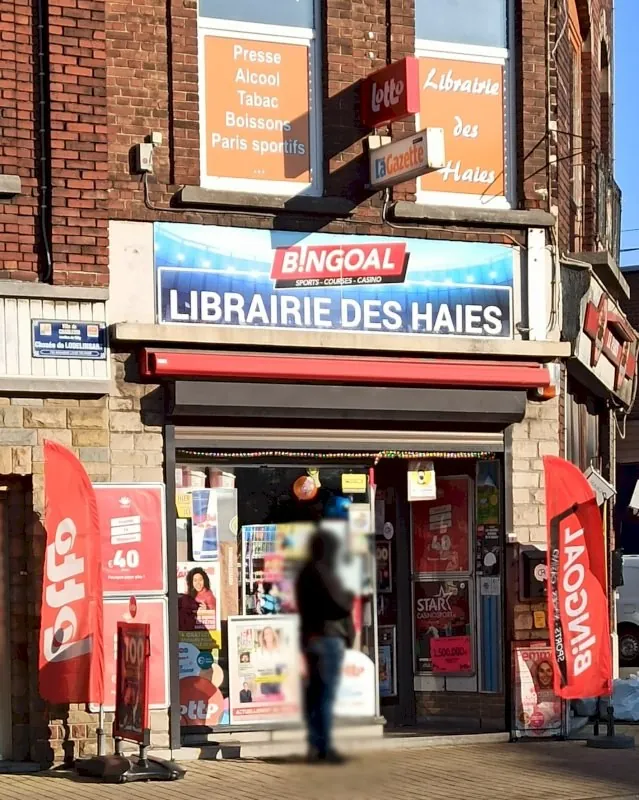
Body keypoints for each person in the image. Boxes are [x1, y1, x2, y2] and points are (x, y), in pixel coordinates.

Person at [295, 526, 354, 764]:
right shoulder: (325, 571)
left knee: (314, 694)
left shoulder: (305, 573)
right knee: (325, 695)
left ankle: (314, 743)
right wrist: (348, 594)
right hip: (328, 638)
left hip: (310, 638)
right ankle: (324, 747)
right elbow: (341, 605)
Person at [178, 567, 216, 631]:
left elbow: (215, 616)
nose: (198, 583)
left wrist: (207, 610)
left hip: (200, 631)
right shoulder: (190, 593)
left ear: (204, 580)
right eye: (195, 580)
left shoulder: (209, 596)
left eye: (200, 580)